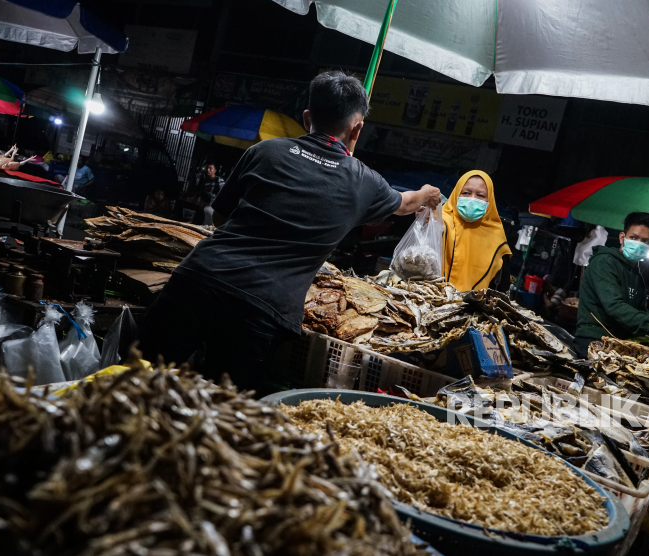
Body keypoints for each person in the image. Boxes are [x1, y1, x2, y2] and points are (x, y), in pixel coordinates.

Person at [138, 71, 441, 393]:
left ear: (307, 117)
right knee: (222, 412)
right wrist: (427, 193)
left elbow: (222, 216)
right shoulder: (365, 181)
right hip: (261, 308)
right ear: (358, 128)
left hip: (198, 279)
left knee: (135, 384)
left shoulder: (266, 151)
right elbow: (407, 204)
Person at [573, 212, 649, 357]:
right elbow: (615, 306)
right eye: (633, 237)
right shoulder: (604, 262)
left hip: (618, 344)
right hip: (593, 342)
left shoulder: (636, 275)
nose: (638, 244)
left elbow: (639, 311)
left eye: (646, 241)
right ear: (622, 237)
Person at [442, 170, 511, 291]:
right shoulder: (439, 223)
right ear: (456, 194)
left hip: (472, 307)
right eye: (466, 193)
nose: (472, 199)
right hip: (429, 301)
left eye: (480, 195)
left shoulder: (496, 238)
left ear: (490, 200)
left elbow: (501, 287)